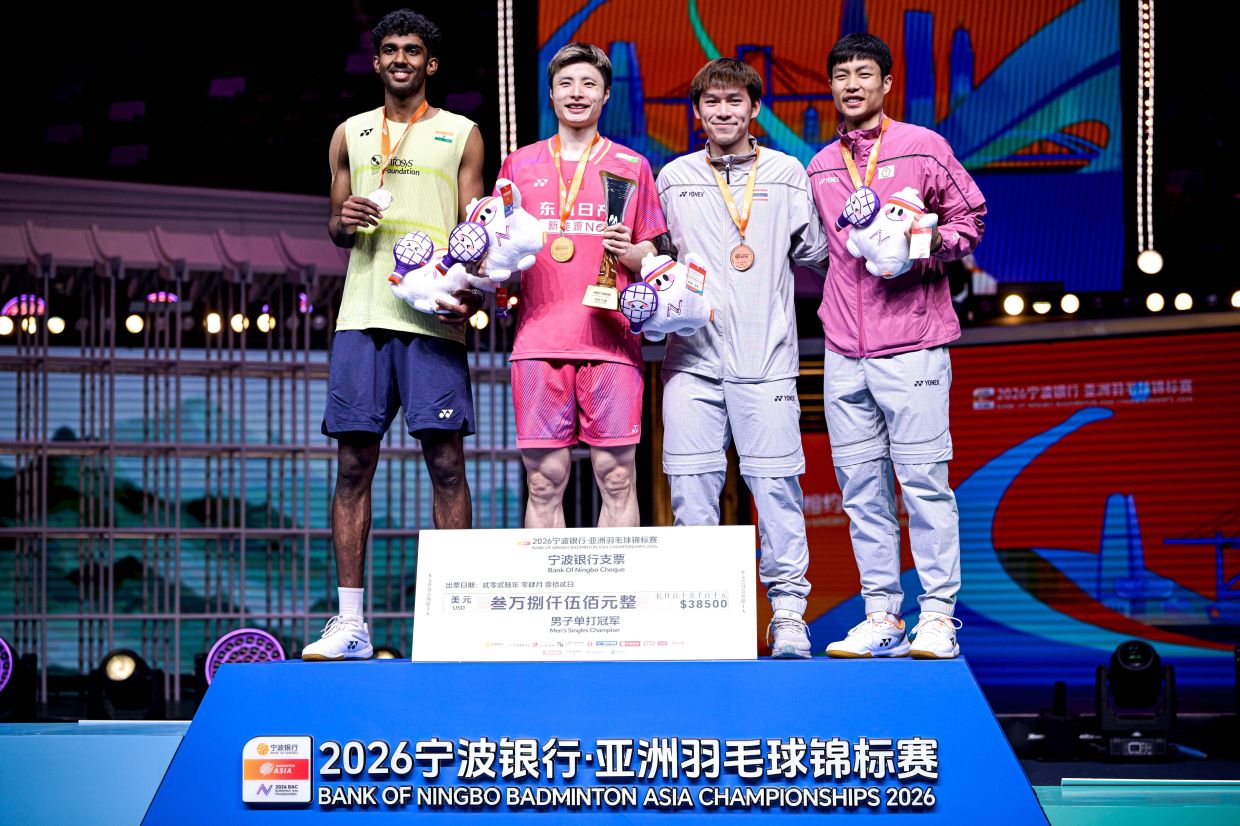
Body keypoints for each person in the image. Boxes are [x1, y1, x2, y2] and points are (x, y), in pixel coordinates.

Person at [304, 8, 485, 660]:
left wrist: (470, 285)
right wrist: (344, 219)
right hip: (362, 314)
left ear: (430, 64)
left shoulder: (462, 134)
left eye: (412, 50)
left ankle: (457, 623)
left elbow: (476, 231)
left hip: (432, 319)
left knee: (445, 463)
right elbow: (335, 225)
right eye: (390, 50)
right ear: (377, 62)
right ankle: (351, 625)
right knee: (352, 465)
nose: (401, 59)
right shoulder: (348, 133)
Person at [806, 33, 986, 659]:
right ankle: (882, 614)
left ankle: (937, 615)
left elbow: (971, 220)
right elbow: (818, 252)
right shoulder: (822, 166)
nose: (851, 85)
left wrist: (923, 244)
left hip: (912, 339)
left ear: (886, 84)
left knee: (923, 483)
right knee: (860, 487)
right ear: (831, 87)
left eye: (864, 74)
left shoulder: (922, 148)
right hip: (842, 348)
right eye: (841, 75)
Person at [655, 58, 828, 658]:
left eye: (735, 101)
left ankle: (787, 617)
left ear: (754, 109)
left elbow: (816, 252)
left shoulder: (786, 173)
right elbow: (656, 261)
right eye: (712, 102)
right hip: (691, 360)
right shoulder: (672, 177)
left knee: (776, 488)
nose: (723, 112)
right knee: (691, 489)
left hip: (768, 359)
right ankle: (704, 615)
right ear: (697, 112)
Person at [498, 42, 668, 529]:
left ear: (606, 96)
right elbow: (499, 251)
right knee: (543, 481)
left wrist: (634, 253)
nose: (577, 93)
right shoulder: (518, 166)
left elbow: (653, 258)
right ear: (550, 95)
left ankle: (618, 601)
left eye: (588, 84)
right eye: (566, 84)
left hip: (611, 341)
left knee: (617, 478)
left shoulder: (633, 166)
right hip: (538, 341)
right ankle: (546, 600)